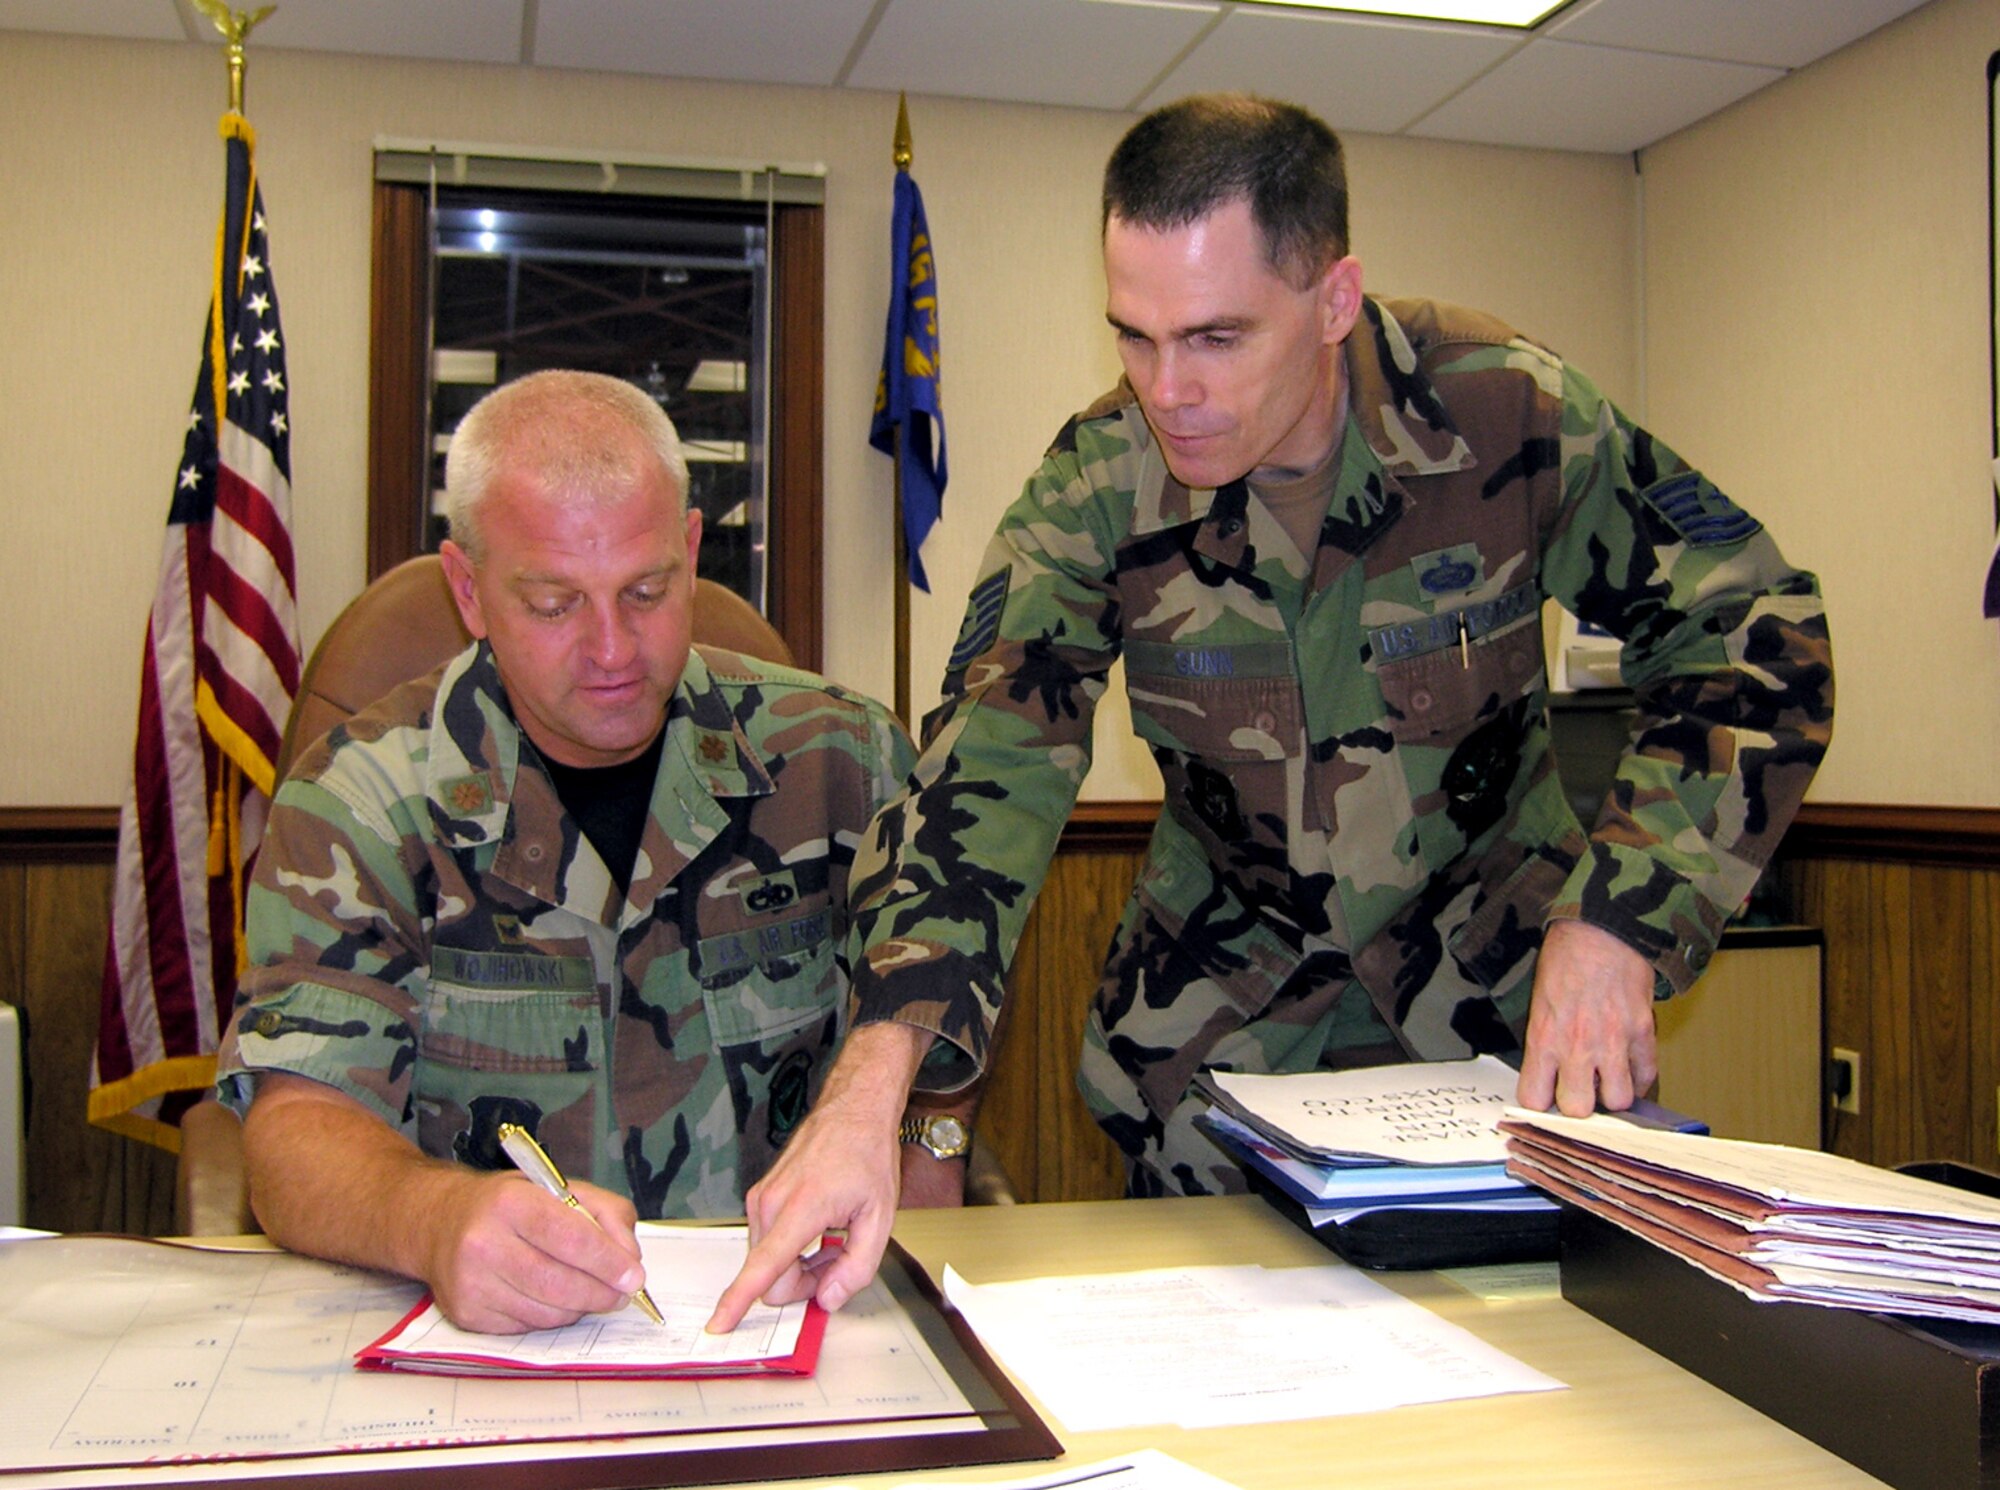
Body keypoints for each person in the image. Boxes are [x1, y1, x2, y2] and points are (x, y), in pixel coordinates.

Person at [709, 92, 1831, 1326]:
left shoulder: (1499, 413)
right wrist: (872, 1083)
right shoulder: (1100, 483)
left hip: (1499, 1059)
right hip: (1213, 1065)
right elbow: (985, 765)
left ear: (1334, 300)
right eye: (1132, 337)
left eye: (1213, 338)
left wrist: (1620, 917)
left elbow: (1753, 632)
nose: (1164, 388)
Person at [216, 369, 925, 1334]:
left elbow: (931, 1030)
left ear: (689, 551)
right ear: (467, 589)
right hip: (486, 1348)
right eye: (553, 603)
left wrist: (929, 1148)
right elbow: (294, 1133)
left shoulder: (843, 762)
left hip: (788, 1327)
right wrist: (435, 1218)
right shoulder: (361, 804)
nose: (611, 649)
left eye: (645, 590)